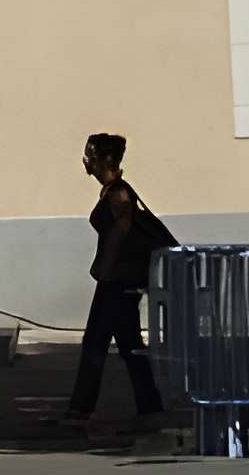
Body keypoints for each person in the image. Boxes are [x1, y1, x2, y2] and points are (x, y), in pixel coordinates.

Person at [60, 131, 170, 438]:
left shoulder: (119, 193)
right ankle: (150, 407)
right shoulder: (112, 191)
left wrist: (104, 270)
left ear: (106, 159)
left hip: (116, 280)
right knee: (129, 344)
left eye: (91, 154)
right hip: (117, 278)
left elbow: (119, 234)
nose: (86, 160)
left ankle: (80, 411)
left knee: (96, 343)